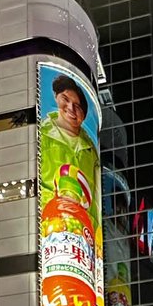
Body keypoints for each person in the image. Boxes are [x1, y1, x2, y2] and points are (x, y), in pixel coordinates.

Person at [38, 74, 101, 233]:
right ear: (56, 97)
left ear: (84, 115)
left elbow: (96, 201)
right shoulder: (40, 134)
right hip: (47, 225)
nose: (71, 109)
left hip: (81, 230)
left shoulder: (91, 151)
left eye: (77, 106)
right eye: (65, 99)